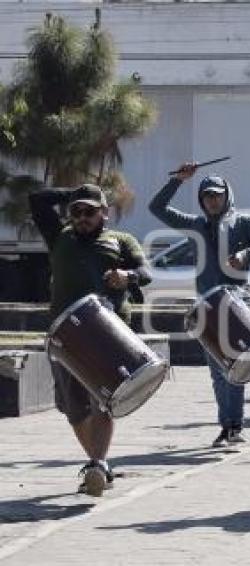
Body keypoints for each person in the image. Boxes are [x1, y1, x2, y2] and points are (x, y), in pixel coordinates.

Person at [29, 184, 152, 496]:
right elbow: (37, 200)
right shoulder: (59, 236)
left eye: (90, 211)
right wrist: (73, 193)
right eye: (77, 212)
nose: (82, 217)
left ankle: (97, 464)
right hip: (64, 337)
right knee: (73, 410)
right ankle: (99, 463)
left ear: (104, 214)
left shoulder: (121, 241)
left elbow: (146, 270)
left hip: (109, 334)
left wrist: (129, 277)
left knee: (103, 401)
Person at [149, 164, 250, 447]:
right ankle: (226, 425)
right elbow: (157, 208)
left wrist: (245, 254)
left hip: (237, 300)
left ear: (226, 195)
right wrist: (178, 181)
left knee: (237, 364)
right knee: (218, 369)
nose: (212, 200)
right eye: (207, 196)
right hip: (207, 306)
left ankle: (236, 424)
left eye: (217, 195)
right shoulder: (196, 225)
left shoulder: (243, 222)